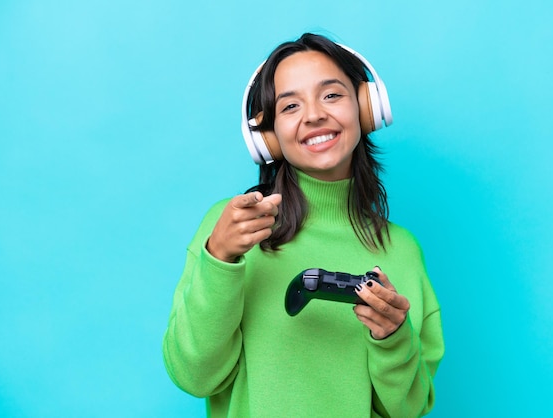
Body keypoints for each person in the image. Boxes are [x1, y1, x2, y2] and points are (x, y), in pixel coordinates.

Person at [163, 32, 444, 417]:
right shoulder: (230, 230)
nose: (314, 115)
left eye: (331, 95)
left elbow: (407, 409)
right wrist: (220, 258)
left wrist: (393, 338)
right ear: (268, 136)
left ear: (366, 107)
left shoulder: (402, 251)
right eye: (290, 106)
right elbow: (195, 377)